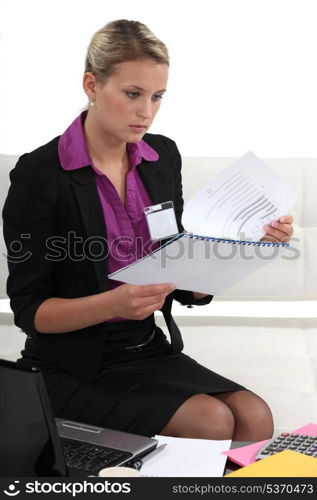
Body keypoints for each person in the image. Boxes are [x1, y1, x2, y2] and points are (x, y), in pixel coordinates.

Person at [3, 19, 293, 441]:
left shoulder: (162, 158)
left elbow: (174, 269)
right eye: (133, 94)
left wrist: (244, 245)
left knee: (254, 415)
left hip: (146, 347)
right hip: (72, 364)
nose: (147, 112)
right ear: (91, 85)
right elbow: (30, 311)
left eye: (158, 97)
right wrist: (112, 303)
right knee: (212, 421)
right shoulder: (40, 174)